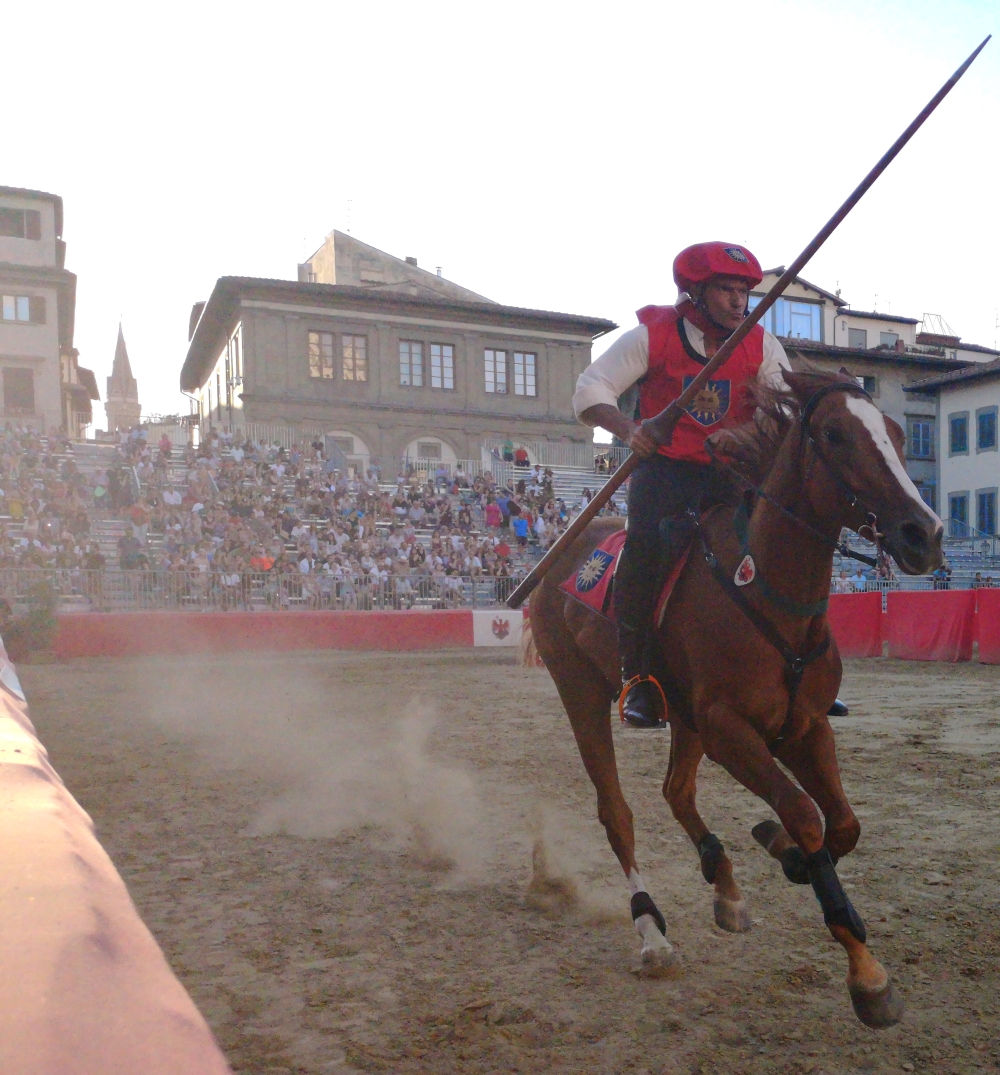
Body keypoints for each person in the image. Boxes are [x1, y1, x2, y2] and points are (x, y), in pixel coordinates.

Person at [573, 241, 792, 728]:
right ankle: (638, 677)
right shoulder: (653, 335)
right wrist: (630, 430)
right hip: (666, 472)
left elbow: (782, 409)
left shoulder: (762, 344)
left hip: (734, 472)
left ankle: (795, 672)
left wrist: (745, 433)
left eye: (744, 291)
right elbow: (591, 389)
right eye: (726, 290)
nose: (739, 301)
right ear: (695, 293)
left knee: (778, 550)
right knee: (648, 549)